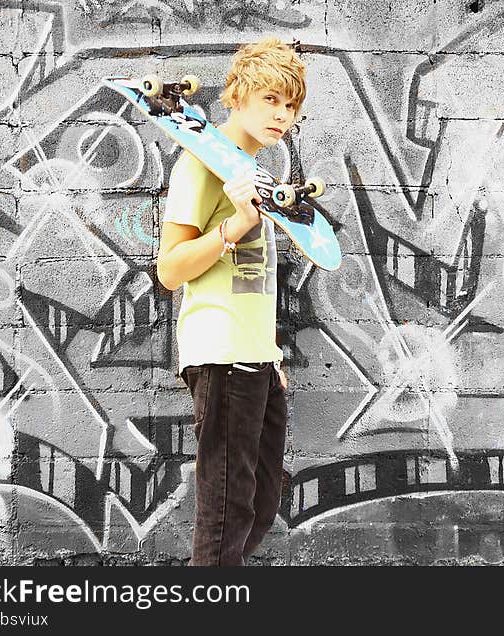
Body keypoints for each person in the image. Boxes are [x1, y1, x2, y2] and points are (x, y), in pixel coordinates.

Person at [156, 37, 305, 566]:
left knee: (262, 506)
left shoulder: (250, 172)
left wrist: (269, 353)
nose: (281, 115)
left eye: (290, 105)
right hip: (220, 357)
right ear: (236, 96)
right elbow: (170, 269)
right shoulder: (201, 164)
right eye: (270, 99)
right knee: (224, 517)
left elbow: (250, 280)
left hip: (256, 360)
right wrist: (235, 226)